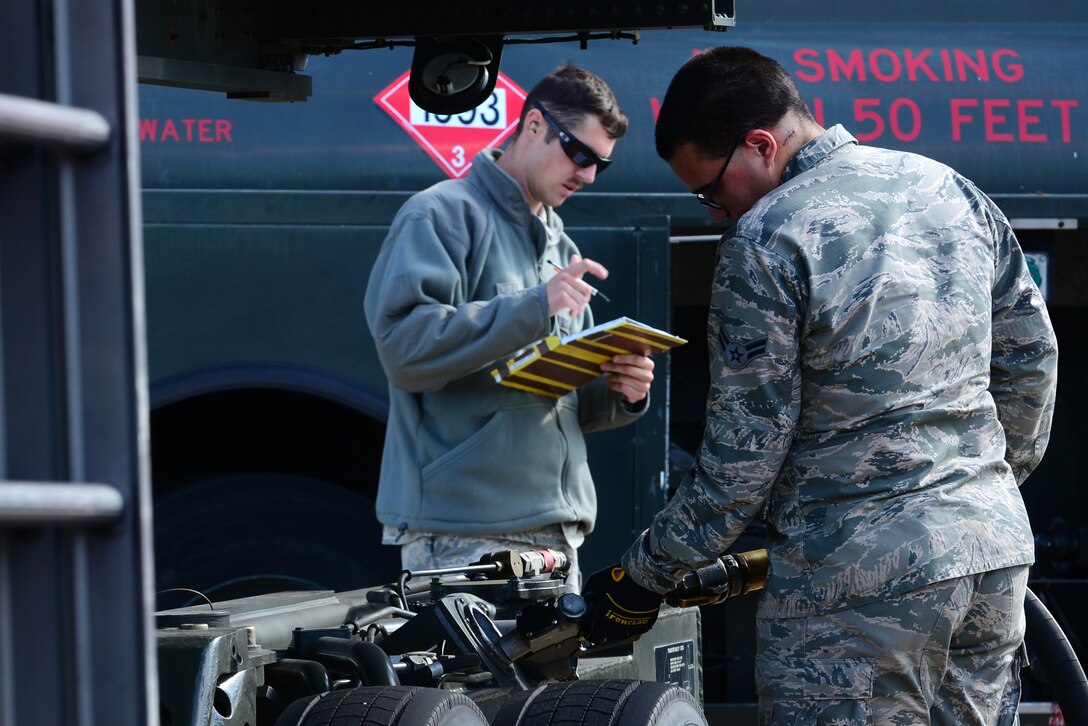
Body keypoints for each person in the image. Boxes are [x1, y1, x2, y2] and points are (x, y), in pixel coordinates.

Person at [581, 46, 1058, 724]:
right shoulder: (948, 188)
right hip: (992, 559)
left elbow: (739, 467)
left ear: (760, 144)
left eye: (711, 190)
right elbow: (1031, 360)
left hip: (855, 591)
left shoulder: (766, 240)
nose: (715, 212)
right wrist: (976, 491)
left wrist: (642, 577)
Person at [364, 65, 654, 590]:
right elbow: (404, 351)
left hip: (556, 537)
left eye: (600, 165)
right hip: (462, 535)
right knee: (474, 679)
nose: (587, 175)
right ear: (535, 126)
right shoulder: (440, 214)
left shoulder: (560, 248)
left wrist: (620, 392)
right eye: (580, 153)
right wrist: (533, 307)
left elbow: (548, 401)